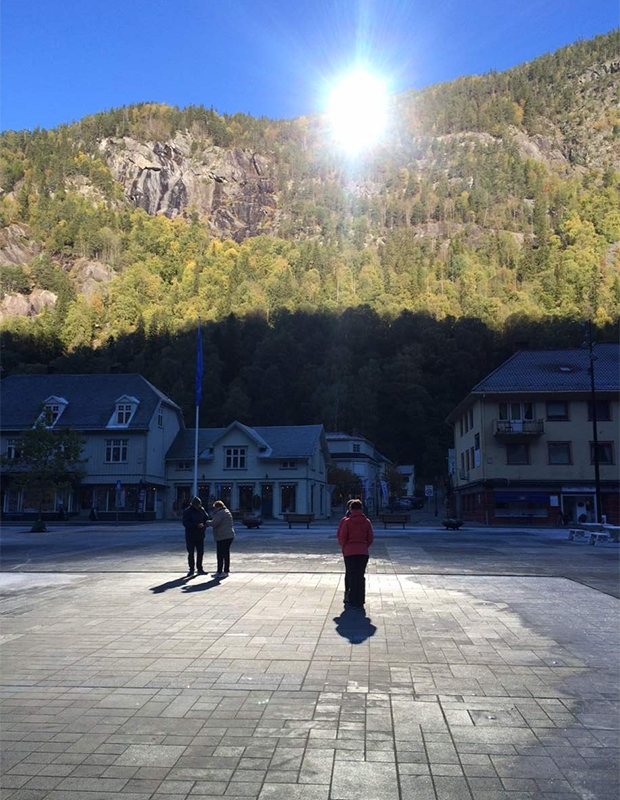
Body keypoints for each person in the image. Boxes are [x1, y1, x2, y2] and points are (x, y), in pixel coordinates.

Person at [337, 499, 373, 610]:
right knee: (360, 576)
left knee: (352, 575)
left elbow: (342, 537)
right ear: (361, 508)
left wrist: (345, 547)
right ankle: (360, 599)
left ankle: (352, 600)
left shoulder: (347, 522)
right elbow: (370, 538)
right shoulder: (367, 522)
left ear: (351, 509)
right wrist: (364, 546)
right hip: (363, 552)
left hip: (349, 552)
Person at [207, 500, 235, 578]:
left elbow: (214, 523)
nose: (214, 509)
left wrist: (206, 522)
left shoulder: (220, 513)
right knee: (225, 553)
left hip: (223, 536)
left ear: (217, 507)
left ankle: (221, 571)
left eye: (214, 508)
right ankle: (225, 570)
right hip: (228, 535)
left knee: (221, 554)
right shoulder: (226, 511)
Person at [182, 496, 208, 575]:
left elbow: (206, 519)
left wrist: (204, 525)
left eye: (199, 505)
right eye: (197, 505)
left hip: (200, 535)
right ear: (193, 504)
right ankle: (191, 569)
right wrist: (196, 525)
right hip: (191, 535)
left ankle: (200, 568)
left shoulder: (202, 510)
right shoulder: (187, 511)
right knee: (191, 552)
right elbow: (185, 523)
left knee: (200, 552)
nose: (198, 506)